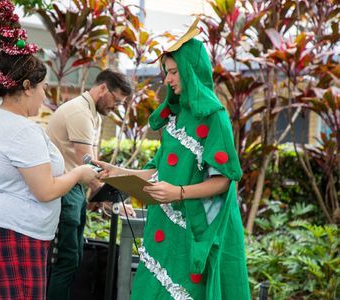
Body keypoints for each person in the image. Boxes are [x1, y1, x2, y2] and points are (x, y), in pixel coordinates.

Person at [95, 22, 250, 300]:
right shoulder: (175, 117)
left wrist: (177, 192)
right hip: (164, 226)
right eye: (167, 72)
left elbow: (224, 180)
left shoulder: (215, 117)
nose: (168, 80)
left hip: (195, 230)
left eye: (174, 72)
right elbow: (158, 169)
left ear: (192, 69)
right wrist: (116, 171)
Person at [0, 1, 97, 299]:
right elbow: (45, 190)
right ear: (27, 86)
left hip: (4, 228)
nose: (45, 95)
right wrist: (80, 172)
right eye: (43, 88)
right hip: (17, 233)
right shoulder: (21, 130)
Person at [46, 69, 133, 300]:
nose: (115, 107)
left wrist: (105, 194)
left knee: (72, 260)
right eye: (115, 100)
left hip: (73, 189)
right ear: (103, 88)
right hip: (65, 191)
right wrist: (110, 197)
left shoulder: (90, 112)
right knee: (66, 261)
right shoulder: (79, 112)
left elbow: (93, 167)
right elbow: (87, 162)